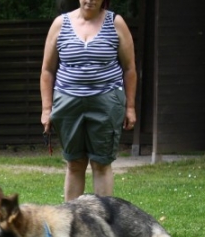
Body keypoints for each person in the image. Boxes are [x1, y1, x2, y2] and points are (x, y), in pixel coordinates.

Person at [40, 0, 136, 199]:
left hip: (106, 102)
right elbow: (47, 71)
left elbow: (130, 69)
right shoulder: (60, 24)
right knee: (74, 164)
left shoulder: (116, 23)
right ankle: (72, 224)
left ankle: (102, 223)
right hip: (67, 103)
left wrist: (130, 107)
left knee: (101, 163)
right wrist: (46, 109)